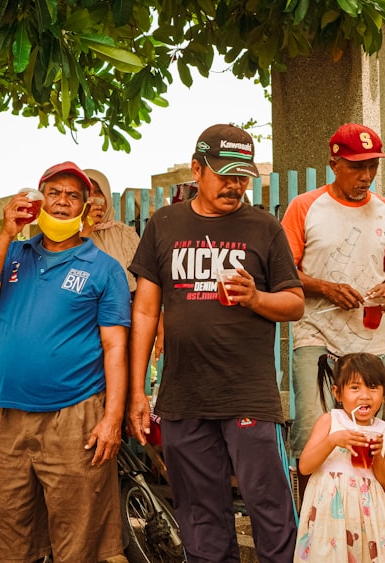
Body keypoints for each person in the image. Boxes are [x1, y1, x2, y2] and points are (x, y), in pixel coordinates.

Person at [126, 123, 305, 563]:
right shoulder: (164, 224)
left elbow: (295, 303)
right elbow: (146, 311)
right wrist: (137, 392)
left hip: (248, 395)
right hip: (184, 397)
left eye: (242, 175)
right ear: (195, 169)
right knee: (201, 517)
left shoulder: (264, 227)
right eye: (224, 173)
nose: (234, 184)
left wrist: (257, 297)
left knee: (271, 511)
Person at [0, 162, 131, 562]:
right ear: (38, 200)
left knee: (78, 538)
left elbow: (115, 348)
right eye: (54, 192)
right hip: (11, 417)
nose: (62, 202)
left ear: (85, 208)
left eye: (73, 196)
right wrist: (6, 232)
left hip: (75, 417)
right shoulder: (15, 253)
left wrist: (112, 419)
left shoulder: (104, 269)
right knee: (13, 530)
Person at [280, 122, 385, 460]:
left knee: (366, 434)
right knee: (313, 430)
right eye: (356, 166)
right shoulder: (305, 207)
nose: (366, 175)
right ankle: (308, 511)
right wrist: (326, 288)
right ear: (334, 164)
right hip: (315, 335)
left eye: (373, 166)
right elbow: (281, 271)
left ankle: (361, 510)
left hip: (370, 338)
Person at [294, 352, 385, 563]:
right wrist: (332, 441)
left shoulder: (384, 432)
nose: (364, 395)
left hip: (369, 515)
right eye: (355, 388)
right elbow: (306, 466)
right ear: (338, 393)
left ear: (384, 393)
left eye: (373, 387)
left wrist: (377, 457)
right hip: (330, 512)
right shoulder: (330, 421)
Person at [82, 168, 142, 294]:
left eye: (98, 192)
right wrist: (85, 229)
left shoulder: (125, 234)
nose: (92, 199)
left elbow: (141, 282)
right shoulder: (67, 234)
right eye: (86, 192)